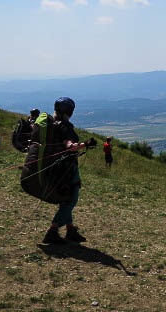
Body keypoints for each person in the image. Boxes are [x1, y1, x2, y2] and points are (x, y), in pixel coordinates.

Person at [42, 97, 96, 244]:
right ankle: (52, 231)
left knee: (66, 198)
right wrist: (85, 144)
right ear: (70, 111)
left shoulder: (52, 124)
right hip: (67, 168)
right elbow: (70, 146)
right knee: (71, 199)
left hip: (55, 167)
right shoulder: (65, 126)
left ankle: (70, 230)